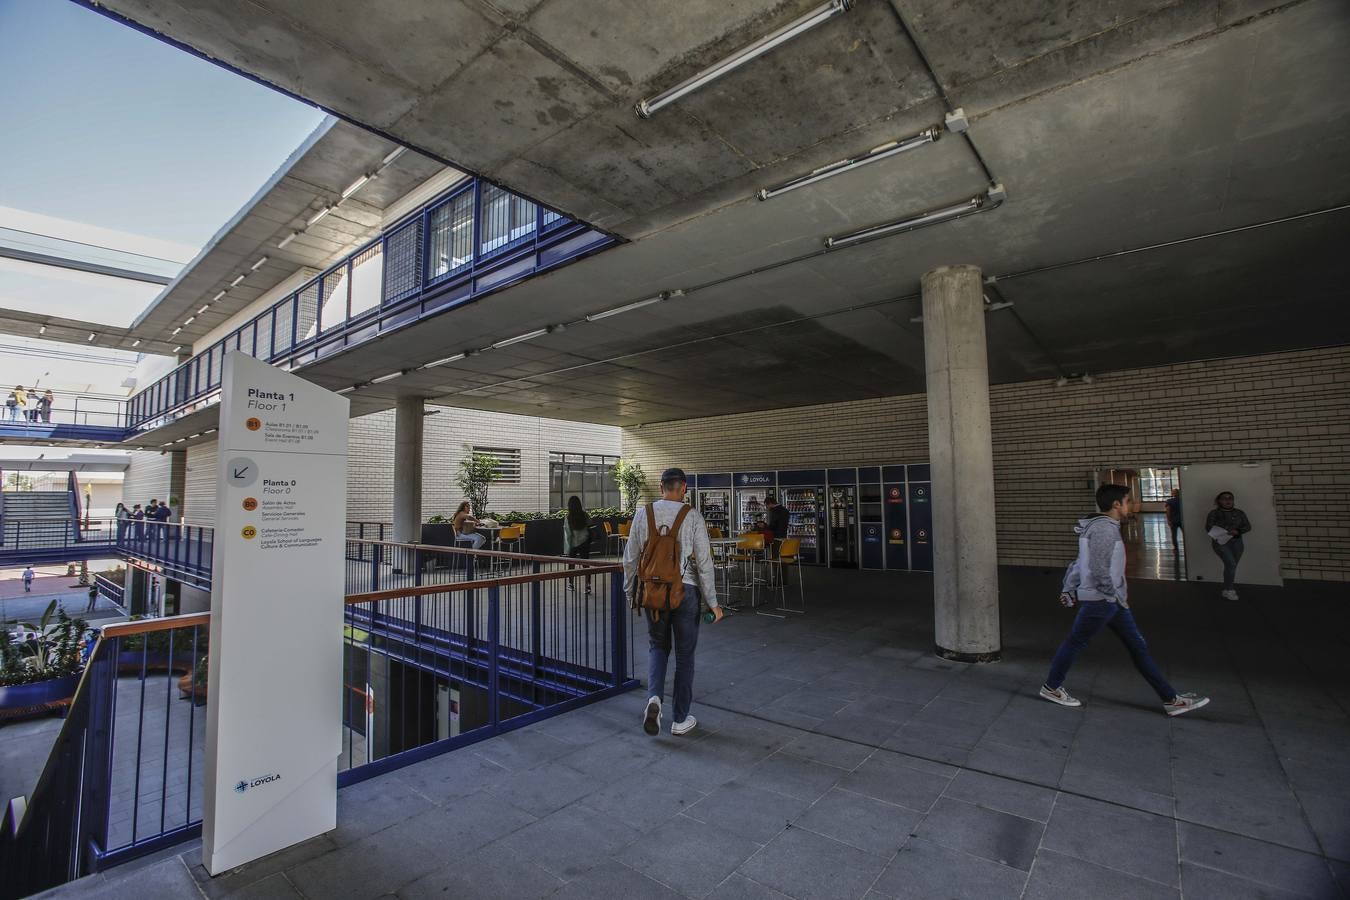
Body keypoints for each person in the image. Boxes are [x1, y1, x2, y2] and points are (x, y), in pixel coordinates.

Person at [1040, 484, 1210, 717]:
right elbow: (1098, 568)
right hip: (1103, 600)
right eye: (1128, 501)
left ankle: (1171, 699)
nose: (1130, 505)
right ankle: (1051, 687)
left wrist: (1071, 587)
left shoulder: (1100, 526)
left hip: (1112, 601)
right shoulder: (1103, 529)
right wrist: (1111, 594)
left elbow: (1081, 562)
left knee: (1138, 647)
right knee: (1076, 642)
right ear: (1116, 504)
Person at [623, 467, 722, 737]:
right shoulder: (692, 516)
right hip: (685, 592)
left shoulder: (644, 513)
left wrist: (630, 593)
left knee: (657, 647)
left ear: (661, 486)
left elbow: (630, 557)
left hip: (653, 594)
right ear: (684, 488)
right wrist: (713, 602)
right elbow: (704, 563)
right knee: (685, 656)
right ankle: (680, 719)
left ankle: (654, 699)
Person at [1206, 491, 1251, 600]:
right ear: (1219, 501)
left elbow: (1248, 526)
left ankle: (1226, 589)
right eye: (1224, 498)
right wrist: (1226, 530)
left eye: (1230, 498)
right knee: (1231, 564)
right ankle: (1230, 590)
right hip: (1221, 542)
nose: (1228, 500)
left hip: (1237, 543)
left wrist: (1238, 531)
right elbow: (1209, 527)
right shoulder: (1214, 513)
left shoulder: (1240, 513)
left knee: (1231, 566)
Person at [562, 495, 593, 593]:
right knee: (586, 565)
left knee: (571, 565)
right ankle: (588, 586)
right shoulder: (585, 515)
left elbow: (568, 534)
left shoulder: (568, 517)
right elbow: (590, 525)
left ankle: (571, 584)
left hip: (573, 544)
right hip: (585, 542)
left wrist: (567, 549)